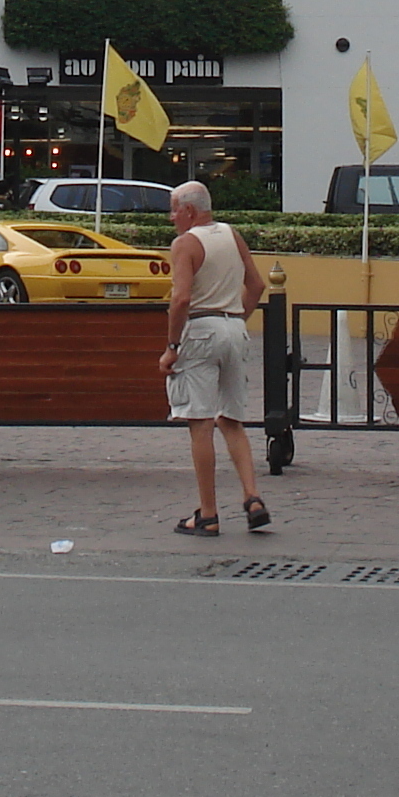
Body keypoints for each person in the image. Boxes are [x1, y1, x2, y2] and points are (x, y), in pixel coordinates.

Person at [157, 180, 270, 536]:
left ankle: (208, 513)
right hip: (233, 329)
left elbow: (181, 300)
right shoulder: (230, 235)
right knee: (232, 421)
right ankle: (252, 496)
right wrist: (237, 319)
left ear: (190, 211)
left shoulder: (185, 244)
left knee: (200, 423)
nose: (172, 217)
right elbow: (257, 285)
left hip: (201, 331)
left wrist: (172, 346)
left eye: (175, 209)